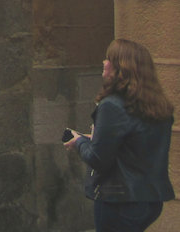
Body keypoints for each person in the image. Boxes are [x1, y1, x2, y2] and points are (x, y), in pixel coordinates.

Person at [65, 38, 175, 231]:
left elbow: (98, 159)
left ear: (120, 69)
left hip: (119, 200)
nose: (104, 63)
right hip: (150, 201)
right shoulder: (159, 107)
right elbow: (136, 146)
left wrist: (79, 141)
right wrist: (96, 139)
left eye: (109, 59)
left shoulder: (112, 105)